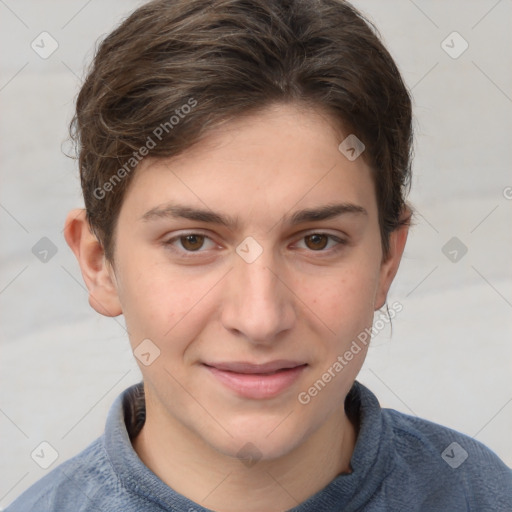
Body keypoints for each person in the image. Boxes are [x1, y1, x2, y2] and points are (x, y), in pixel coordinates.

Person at [6, 0, 512, 510]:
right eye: (192, 241)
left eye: (317, 240)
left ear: (387, 261)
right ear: (99, 264)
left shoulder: (483, 494)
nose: (260, 319)